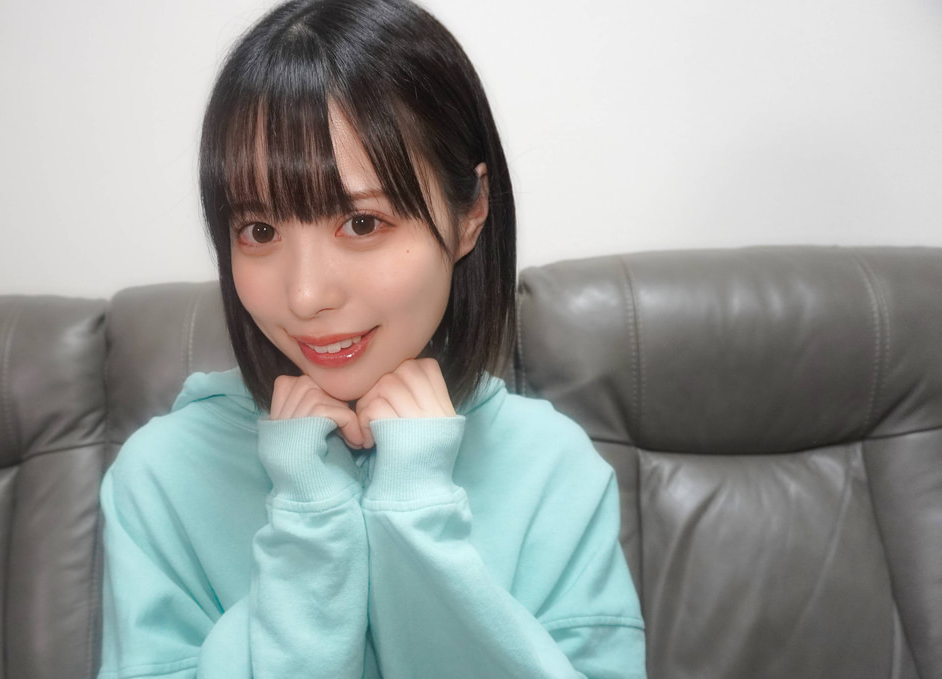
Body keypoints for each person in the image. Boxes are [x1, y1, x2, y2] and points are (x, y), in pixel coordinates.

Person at [98, 0, 646, 676]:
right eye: (260, 231)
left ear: (471, 212)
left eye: (361, 223)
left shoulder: (554, 470)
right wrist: (307, 524)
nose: (305, 296)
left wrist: (417, 510)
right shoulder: (161, 476)